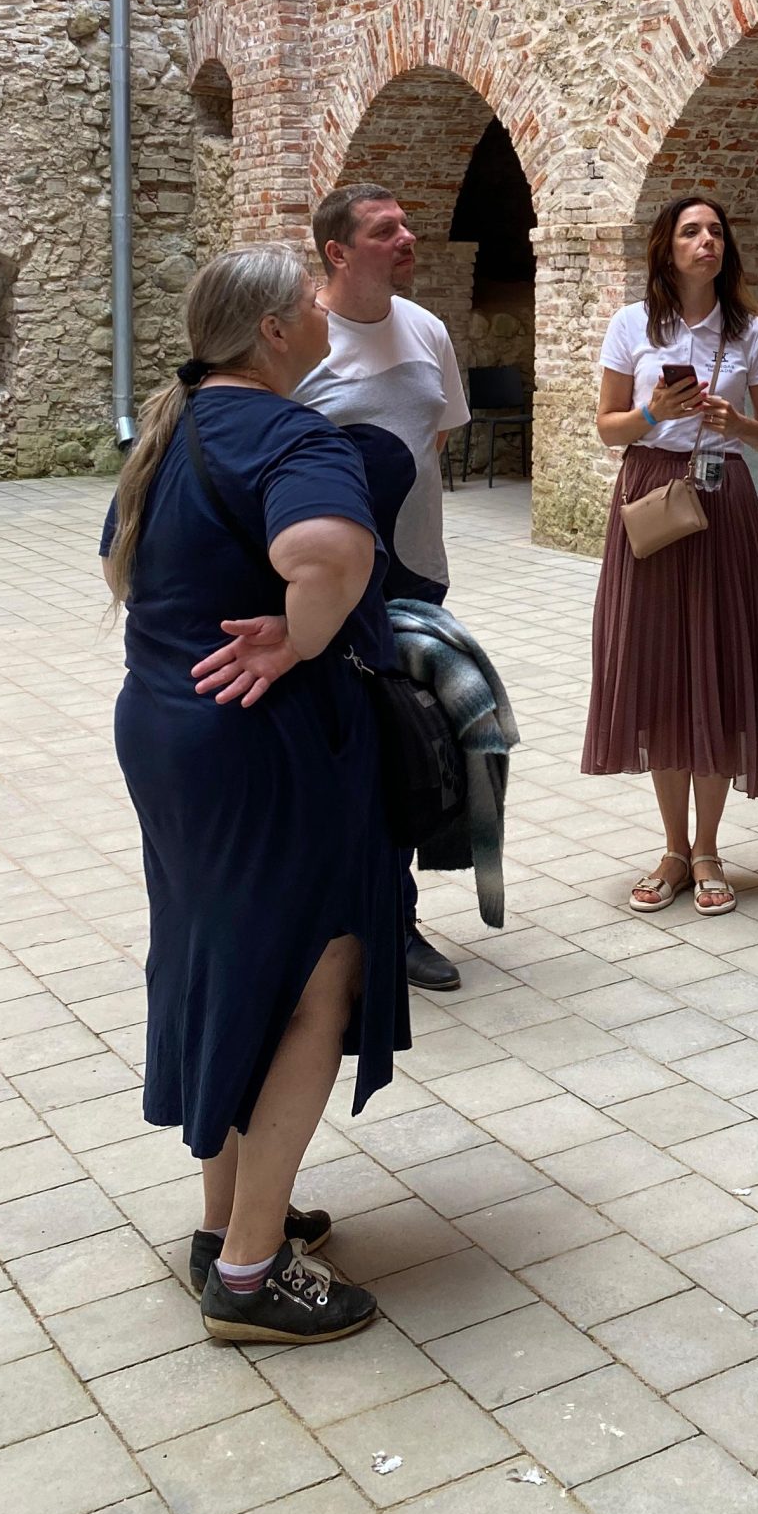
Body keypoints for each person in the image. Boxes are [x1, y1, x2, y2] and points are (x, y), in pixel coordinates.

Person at [103, 247, 408, 1346]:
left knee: (229, 965)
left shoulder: (172, 426)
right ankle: (247, 1274)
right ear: (274, 331)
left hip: (168, 730)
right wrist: (302, 636)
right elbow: (323, 548)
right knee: (318, 974)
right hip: (261, 747)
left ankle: (227, 1221)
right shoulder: (289, 432)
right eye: (310, 303)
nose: (326, 313)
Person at [586, 195, 758, 913]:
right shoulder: (632, 324)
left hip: (722, 498)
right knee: (660, 669)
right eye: (690, 231)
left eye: (715, 230)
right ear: (667, 248)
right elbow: (608, 428)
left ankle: (707, 848)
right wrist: (656, 412)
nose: (706, 240)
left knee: (717, 665)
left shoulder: (749, 331)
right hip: (651, 496)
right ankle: (674, 848)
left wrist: (733, 421)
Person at [296, 184, 471, 994]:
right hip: (326, 592)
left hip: (414, 581)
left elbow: (434, 439)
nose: (408, 238)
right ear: (338, 252)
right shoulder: (301, 337)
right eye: (384, 230)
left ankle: (395, 922)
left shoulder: (427, 329)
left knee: (405, 748)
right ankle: (324, 926)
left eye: (406, 224)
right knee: (328, 754)